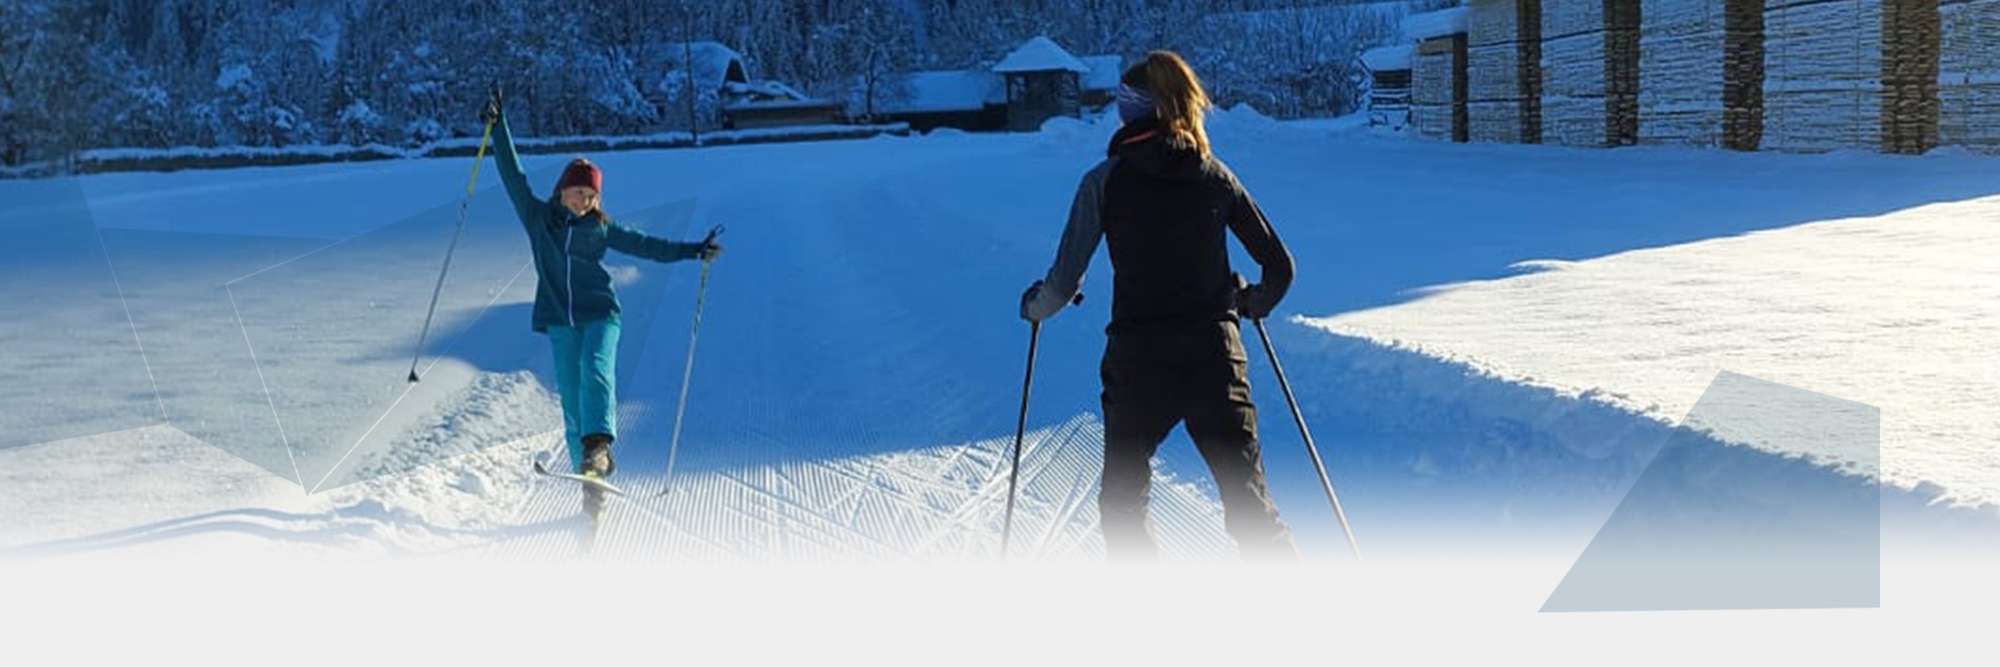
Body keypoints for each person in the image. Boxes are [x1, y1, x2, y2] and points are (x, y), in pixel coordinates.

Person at [1020, 51, 1298, 562]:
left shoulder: (1104, 181)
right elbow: (1279, 267)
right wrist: (1252, 302)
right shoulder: (1214, 176)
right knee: (1249, 506)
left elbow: (1060, 287)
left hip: (1140, 364)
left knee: (1124, 505)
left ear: (1133, 111)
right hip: (1216, 360)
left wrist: (1034, 307)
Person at [480, 89, 721, 522]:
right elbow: (513, 176)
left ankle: (600, 448)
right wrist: (498, 128)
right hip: (558, 318)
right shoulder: (539, 220)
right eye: (576, 193)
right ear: (561, 192)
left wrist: (693, 250)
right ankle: (590, 483)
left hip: (601, 313)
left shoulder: (601, 229)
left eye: (589, 196)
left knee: (595, 372)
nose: (583, 201)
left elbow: (648, 245)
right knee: (572, 404)